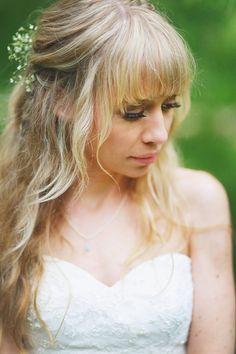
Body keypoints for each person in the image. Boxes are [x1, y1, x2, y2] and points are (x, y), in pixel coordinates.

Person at [0, 0, 235, 353]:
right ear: (63, 102)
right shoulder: (9, 210)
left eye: (168, 106)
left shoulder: (198, 201)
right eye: (133, 112)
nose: (159, 132)